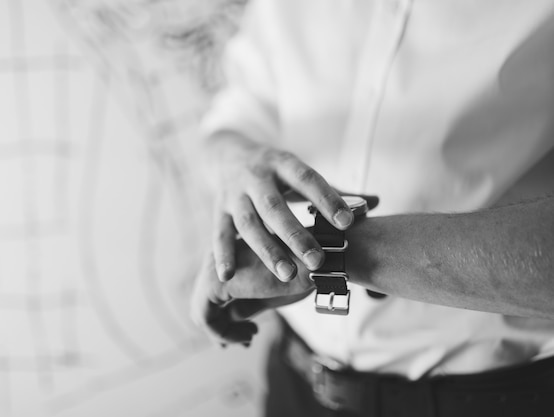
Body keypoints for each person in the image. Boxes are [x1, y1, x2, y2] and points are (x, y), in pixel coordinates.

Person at [190, 0, 554, 415]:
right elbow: (241, 111)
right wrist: (235, 160)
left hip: (501, 398)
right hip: (296, 382)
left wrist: (332, 253)